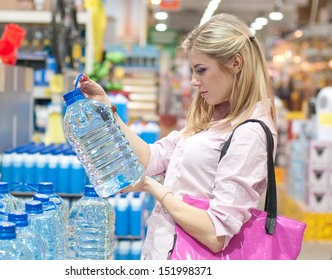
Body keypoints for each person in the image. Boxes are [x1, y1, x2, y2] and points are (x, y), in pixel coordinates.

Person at [76, 13, 278, 260]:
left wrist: (152, 187)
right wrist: (106, 108)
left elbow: (216, 234)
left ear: (236, 63)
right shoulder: (215, 119)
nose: (194, 81)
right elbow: (152, 158)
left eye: (201, 70)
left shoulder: (250, 133)